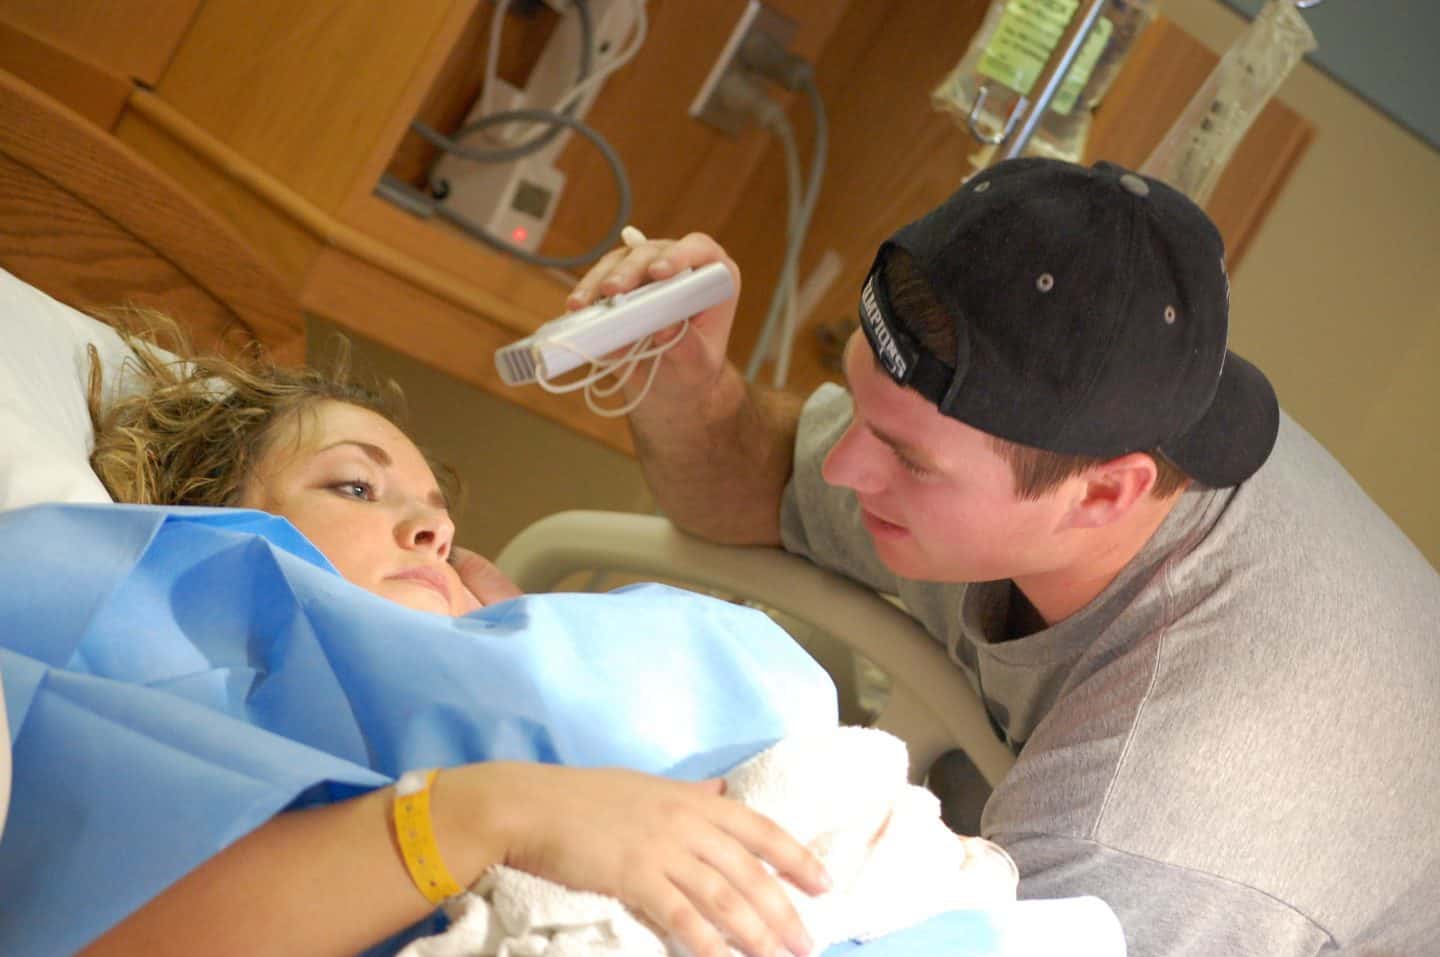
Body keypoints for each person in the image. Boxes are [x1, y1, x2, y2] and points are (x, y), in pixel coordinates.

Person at [568, 157, 1440, 955]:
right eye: (861, 406)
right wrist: (683, 387)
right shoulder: (1096, 421)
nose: (842, 467)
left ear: (1105, 494)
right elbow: (760, 485)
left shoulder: (1153, 828)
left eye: (906, 459)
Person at [44, 318, 834, 957]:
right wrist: (498, 808)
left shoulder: (510, 656)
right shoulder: (149, 677)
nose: (436, 528)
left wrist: (522, 655)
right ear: (217, 528)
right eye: (356, 486)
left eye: (438, 514)